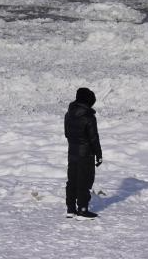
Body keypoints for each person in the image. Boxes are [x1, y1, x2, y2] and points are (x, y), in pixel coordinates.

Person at [64, 87, 102, 219]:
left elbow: (67, 134)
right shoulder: (89, 117)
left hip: (72, 152)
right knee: (84, 181)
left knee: (72, 180)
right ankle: (82, 209)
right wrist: (99, 155)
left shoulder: (68, 114)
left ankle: (70, 209)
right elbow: (94, 138)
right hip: (85, 154)